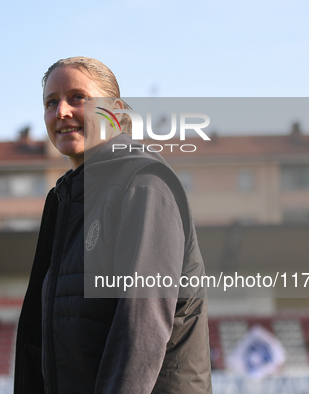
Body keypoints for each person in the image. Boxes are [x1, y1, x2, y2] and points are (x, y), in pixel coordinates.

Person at [14, 57, 211, 393]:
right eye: (51, 102)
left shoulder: (144, 183)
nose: (61, 111)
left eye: (78, 98)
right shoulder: (66, 200)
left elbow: (141, 325)